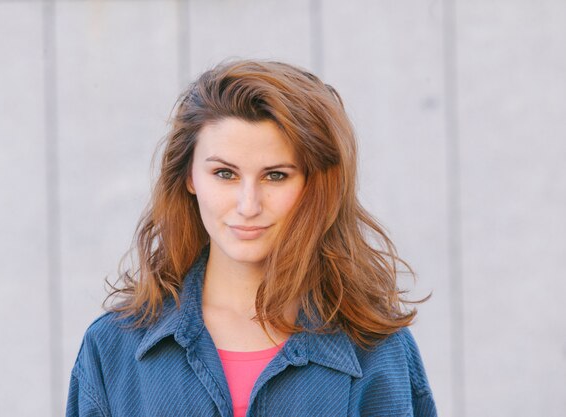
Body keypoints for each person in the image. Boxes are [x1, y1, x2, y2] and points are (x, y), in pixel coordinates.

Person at [66, 60, 437, 417]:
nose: (248, 205)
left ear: (314, 185)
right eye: (225, 174)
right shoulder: (112, 348)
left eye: (275, 176)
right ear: (190, 177)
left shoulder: (378, 350)